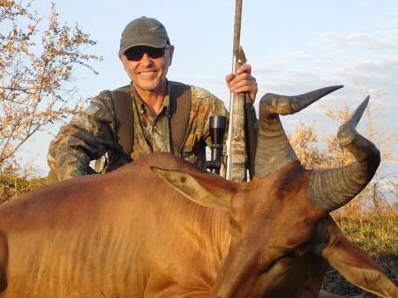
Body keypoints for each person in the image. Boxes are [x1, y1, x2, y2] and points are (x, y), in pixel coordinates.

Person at [47, 16, 258, 182]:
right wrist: (94, 199)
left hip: (187, 224)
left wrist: (246, 108)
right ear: (123, 60)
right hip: (126, 223)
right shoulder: (110, 106)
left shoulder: (201, 104)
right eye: (135, 54)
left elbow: (242, 160)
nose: (145, 62)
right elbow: (65, 147)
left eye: (154, 51)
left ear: (170, 53)